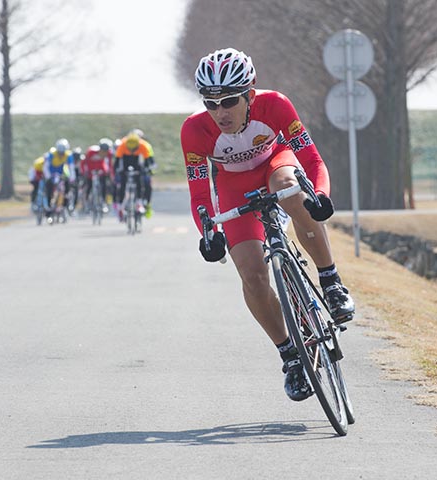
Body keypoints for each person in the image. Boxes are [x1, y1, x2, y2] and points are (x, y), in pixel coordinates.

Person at [180, 47, 355, 402]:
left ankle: (331, 281)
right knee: (253, 275)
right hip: (233, 186)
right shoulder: (194, 131)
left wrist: (319, 194)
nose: (220, 112)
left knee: (290, 191)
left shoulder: (275, 105)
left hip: (276, 164)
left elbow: (311, 158)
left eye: (228, 101)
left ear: (249, 93)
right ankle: (291, 356)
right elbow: (200, 193)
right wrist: (208, 234)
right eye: (210, 103)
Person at [114, 132, 153, 219]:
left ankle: (139, 202)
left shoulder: (143, 145)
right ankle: (120, 206)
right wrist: (117, 172)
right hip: (126, 159)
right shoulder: (122, 145)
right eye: (130, 149)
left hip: (136, 160)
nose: (132, 151)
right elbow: (117, 162)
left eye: (134, 149)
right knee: (123, 182)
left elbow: (146, 162)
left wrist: (147, 171)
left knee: (139, 178)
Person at [81, 138, 113, 212]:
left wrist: (109, 173)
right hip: (90, 171)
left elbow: (109, 164)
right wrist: (84, 172)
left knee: (104, 185)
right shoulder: (91, 151)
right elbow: (83, 162)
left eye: (106, 151)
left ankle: (104, 202)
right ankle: (86, 202)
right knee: (88, 186)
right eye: (103, 150)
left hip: (101, 170)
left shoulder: (109, 153)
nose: (104, 152)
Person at [43, 139, 72, 211]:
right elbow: (45, 167)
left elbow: (71, 167)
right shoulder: (51, 154)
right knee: (49, 187)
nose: (61, 154)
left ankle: (65, 202)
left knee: (67, 184)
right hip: (51, 173)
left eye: (63, 152)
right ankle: (49, 204)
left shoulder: (68, 155)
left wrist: (71, 177)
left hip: (61, 173)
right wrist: (48, 176)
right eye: (60, 152)